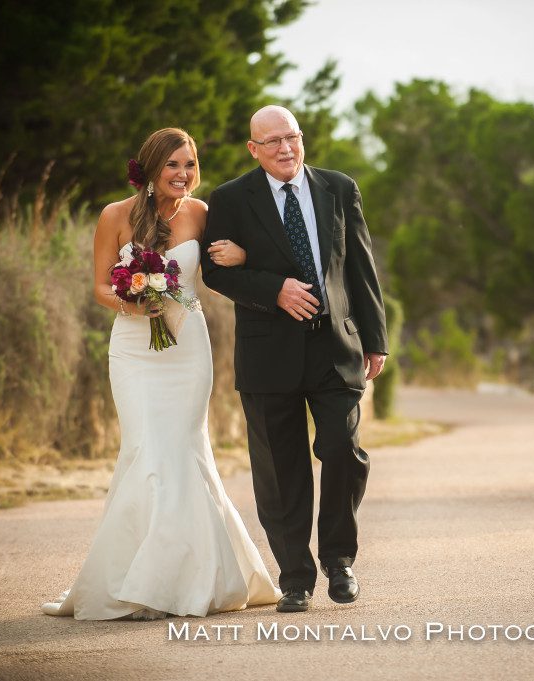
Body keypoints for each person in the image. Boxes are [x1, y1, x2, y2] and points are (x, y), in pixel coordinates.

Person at [41, 128, 280, 620]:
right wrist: (135, 305)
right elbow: (100, 286)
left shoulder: (202, 214)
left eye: (189, 164)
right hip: (134, 350)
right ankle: (139, 580)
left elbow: (230, 266)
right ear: (150, 169)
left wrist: (242, 256)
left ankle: (188, 579)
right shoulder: (114, 216)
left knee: (185, 450)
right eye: (173, 164)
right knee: (144, 449)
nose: (182, 174)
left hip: (188, 348)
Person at [201, 105, 388, 613]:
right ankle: (296, 578)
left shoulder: (339, 188)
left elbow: (360, 266)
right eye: (273, 141)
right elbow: (216, 272)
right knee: (280, 472)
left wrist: (375, 339)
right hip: (268, 353)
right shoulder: (231, 198)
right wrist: (274, 289)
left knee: (343, 451)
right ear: (253, 149)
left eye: (293, 137)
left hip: (335, 349)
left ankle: (339, 561)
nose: (286, 148)